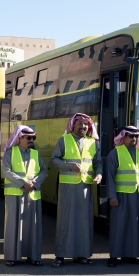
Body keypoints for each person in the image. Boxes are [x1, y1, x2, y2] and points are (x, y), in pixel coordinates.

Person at [49, 113, 102, 267]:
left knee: (84, 222)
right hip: (67, 188)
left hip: (85, 188)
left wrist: (99, 175)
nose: (83, 126)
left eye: (86, 124)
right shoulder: (63, 140)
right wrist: (69, 166)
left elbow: (98, 162)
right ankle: (60, 255)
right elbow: (54, 160)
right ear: (72, 125)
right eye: (79, 123)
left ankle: (83, 254)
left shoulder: (93, 143)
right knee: (65, 221)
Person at [105, 126, 139, 267]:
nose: (133, 139)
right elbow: (109, 176)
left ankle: (131, 255)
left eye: (135, 137)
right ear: (123, 137)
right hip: (121, 196)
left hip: (138, 196)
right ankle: (114, 256)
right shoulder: (115, 153)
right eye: (130, 136)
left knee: (135, 226)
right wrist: (112, 197)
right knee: (118, 226)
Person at [2, 125, 47, 267]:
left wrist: (34, 183)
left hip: (32, 194)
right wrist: (23, 183)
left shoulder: (36, 154)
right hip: (15, 194)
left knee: (33, 227)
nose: (31, 140)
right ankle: (11, 257)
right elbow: (6, 171)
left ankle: (33, 256)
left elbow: (43, 171)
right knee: (13, 227)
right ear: (20, 138)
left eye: (33, 137)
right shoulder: (10, 153)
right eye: (29, 137)